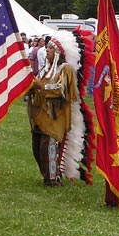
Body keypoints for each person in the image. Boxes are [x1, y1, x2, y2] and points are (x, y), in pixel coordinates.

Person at [28, 32, 83, 186]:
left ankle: (53, 179)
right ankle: (47, 175)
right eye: (46, 48)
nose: (47, 51)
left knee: (48, 148)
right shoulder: (45, 69)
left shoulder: (65, 69)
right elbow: (37, 85)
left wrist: (41, 86)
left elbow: (63, 89)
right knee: (37, 149)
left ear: (58, 52)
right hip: (40, 115)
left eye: (50, 49)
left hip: (54, 117)